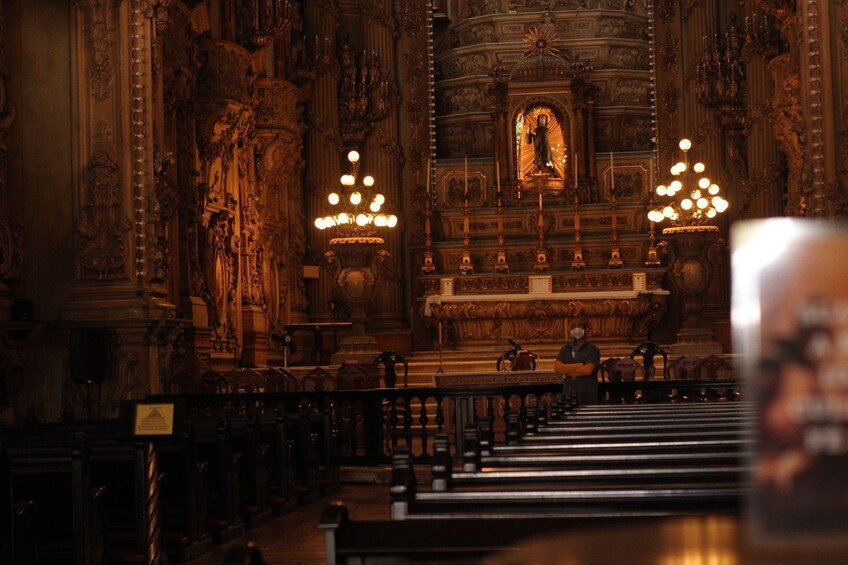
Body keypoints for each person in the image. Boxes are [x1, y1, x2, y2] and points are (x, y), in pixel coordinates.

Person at [555, 326, 601, 405]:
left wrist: (567, 371)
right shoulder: (565, 349)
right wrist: (579, 365)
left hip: (587, 392)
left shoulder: (592, 349)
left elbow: (588, 370)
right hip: (568, 391)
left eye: (579, 326)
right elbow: (558, 368)